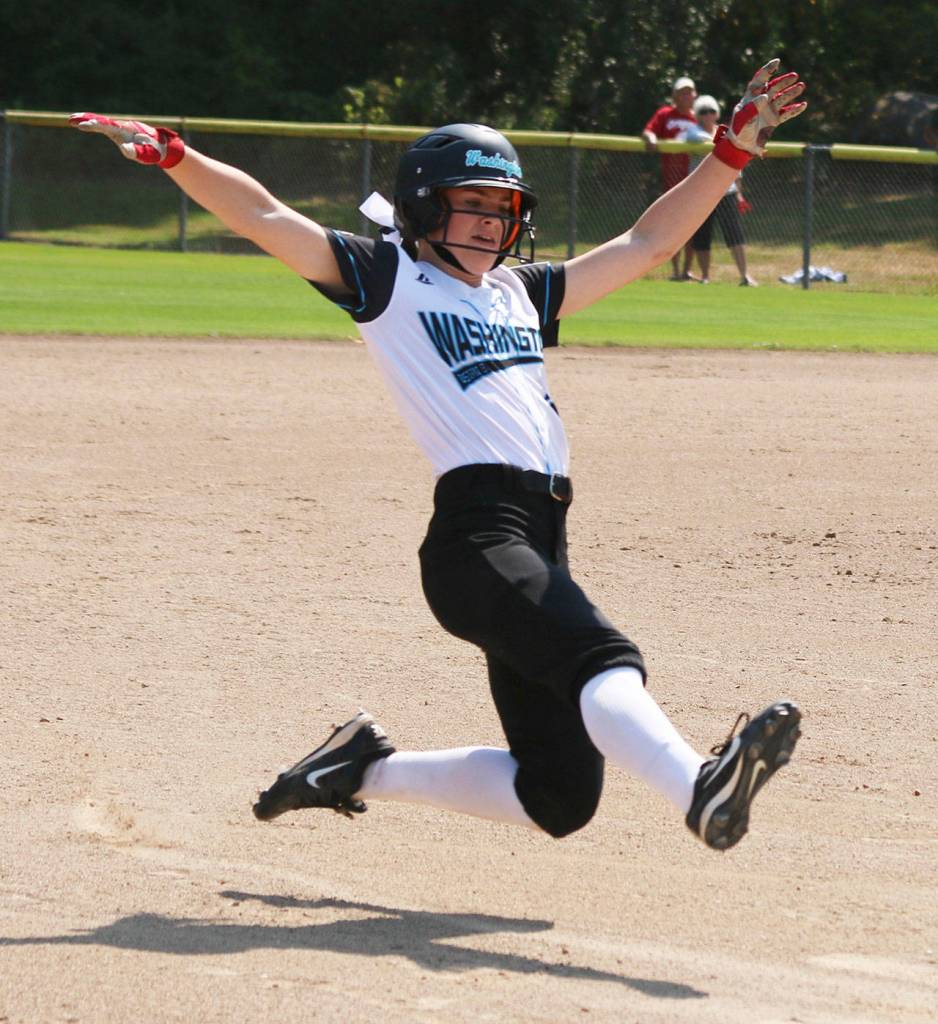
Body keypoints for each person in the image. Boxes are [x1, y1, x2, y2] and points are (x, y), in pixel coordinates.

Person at [71, 58, 807, 853]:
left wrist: (728, 155)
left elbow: (647, 239)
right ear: (425, 206)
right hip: (477, 538)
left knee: (557, 795)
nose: (492, 222)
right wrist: (177, 155)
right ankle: (699, 786)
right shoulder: (388, 277)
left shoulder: (519, 293)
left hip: (542, 535)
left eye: (503, 207)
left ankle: (359, 769)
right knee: (602, 654)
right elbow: (263, 215)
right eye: (472, 205)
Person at [682, 95, 759, 285]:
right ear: (697, 115)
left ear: (716, 113)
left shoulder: (724, 133)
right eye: (703, 112)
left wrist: (739, 194)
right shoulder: (693, 132)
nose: (708, 115)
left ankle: (744, 275)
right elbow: (702, 141)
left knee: (734, 233)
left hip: (727, 191)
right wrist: (727, 142)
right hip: (702, 192)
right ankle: (706, 276)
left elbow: (736, 167)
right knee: (702, 235)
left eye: (711, 111)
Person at [642, 75, 699, 281]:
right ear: (674, 96)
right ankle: (676, 270)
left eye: (689, 92)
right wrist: (651, 138)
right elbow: (649, 131)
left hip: (696, 179)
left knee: (692, 226)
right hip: (672, 180)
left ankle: (687, 270)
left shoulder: (698, 116)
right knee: (674, 227)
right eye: (682, 92)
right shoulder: (666, 114)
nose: (686, 96)